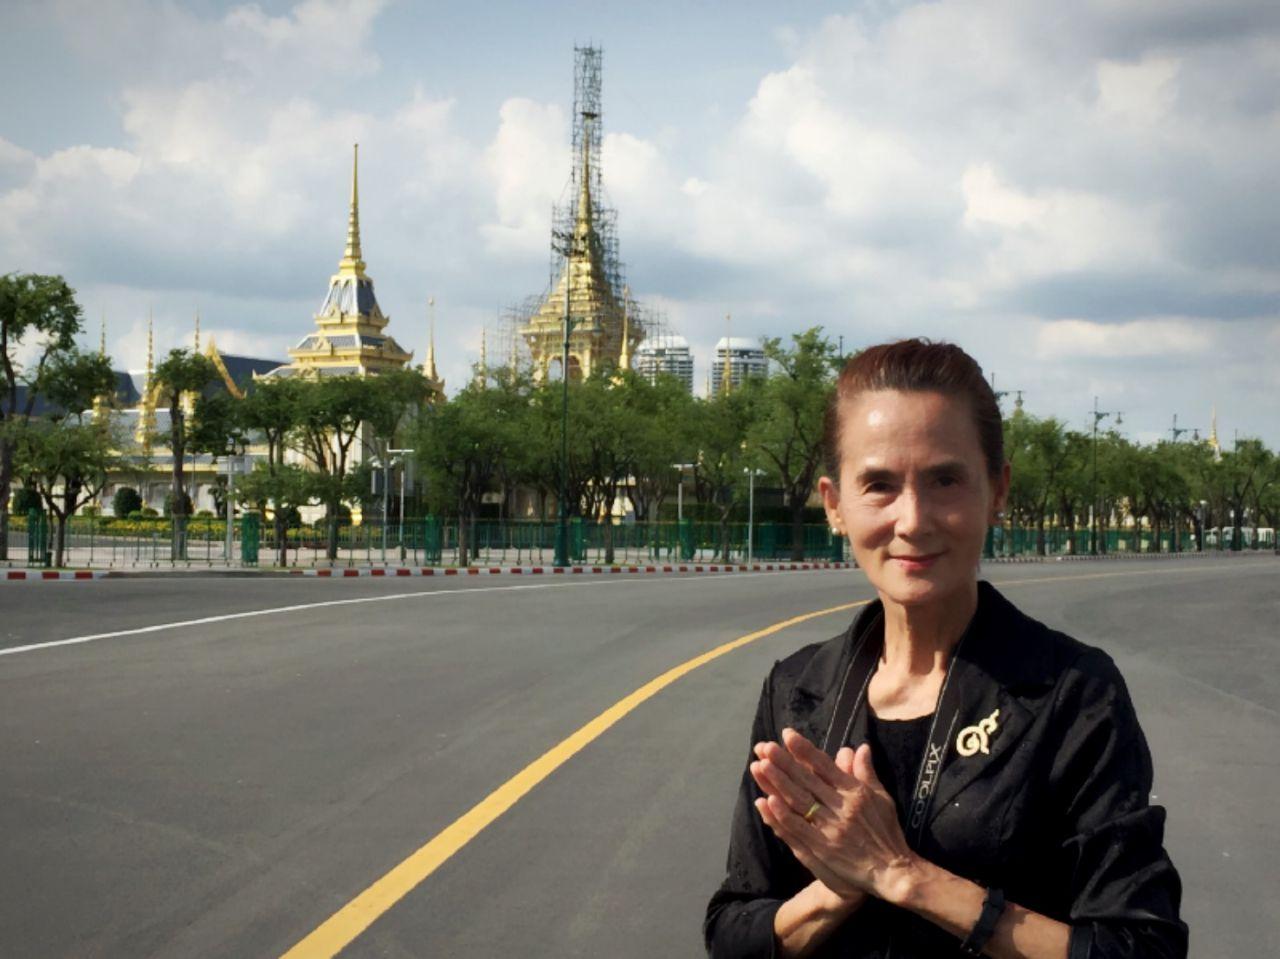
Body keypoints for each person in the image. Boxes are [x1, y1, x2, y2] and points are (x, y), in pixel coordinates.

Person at [704, 340, 1187, 958]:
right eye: (879, 484)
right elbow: (734, 929)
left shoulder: (1072, 694)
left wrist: (905, 876)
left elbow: (1141, 947)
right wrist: (840, 887)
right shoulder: (799, 692)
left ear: (998, 490)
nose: (913, 520)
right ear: (834, 505)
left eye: (945, 480)